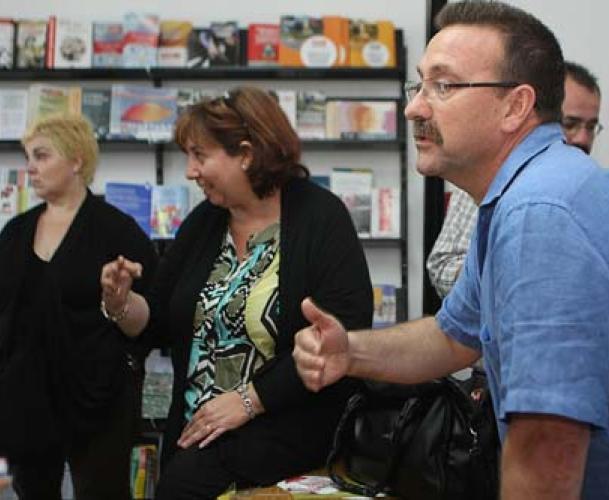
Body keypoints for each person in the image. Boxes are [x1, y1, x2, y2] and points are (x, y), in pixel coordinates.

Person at [293, 2, 609, 497]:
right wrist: (350, 351)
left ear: (515, 107)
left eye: (444, 85)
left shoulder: (540, 213)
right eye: (420, 85)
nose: (415, 107)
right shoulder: (523, 193)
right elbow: (452, 337)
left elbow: (546, 454)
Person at [100, 86, 373, 499]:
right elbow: (157, 321)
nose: (190, 171)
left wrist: (249, 400)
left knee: (181, 487)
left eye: (200, 155)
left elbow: (339, 334)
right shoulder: (204, 222)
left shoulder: (320, 217)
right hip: (197, 434)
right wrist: (121, 303)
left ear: (246, 154)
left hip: (287, 430)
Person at [0, 113, 157, 500]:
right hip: (27, 398)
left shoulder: (118, 230)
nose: (30, 168)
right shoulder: (15, 232)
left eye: (41, 156)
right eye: (28, 157)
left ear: (76, 160)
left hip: (98, 397)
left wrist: (120, 298)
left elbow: (148, 322)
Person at [427, 60, 602, 298]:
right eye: (570, 124)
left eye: (591, 127)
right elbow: (442, 266)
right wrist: (506, 273)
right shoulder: (491, 174)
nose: (582, 138)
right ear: (535, 116)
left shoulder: (593, 188)